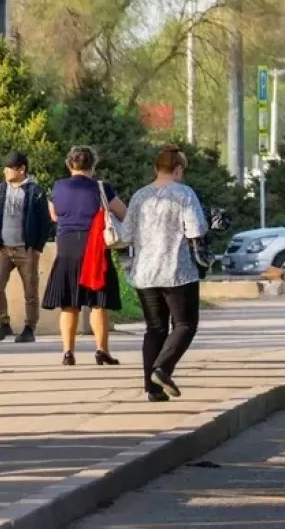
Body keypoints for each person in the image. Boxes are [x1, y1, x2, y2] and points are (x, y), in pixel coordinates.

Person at [123, 145, 208, 402]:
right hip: (176, 271)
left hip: (144, 272)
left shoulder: (140, 196)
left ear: (156, 169)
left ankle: (153, 389)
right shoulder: (184, 194)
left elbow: (126, 234)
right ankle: (163, 369)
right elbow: (195, 230)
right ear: (178, 169)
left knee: (155, 328)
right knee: (184, 324)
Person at [41, 146, 127, 366]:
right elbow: (123, 213)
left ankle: (68, 352)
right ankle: (101, 350)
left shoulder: (58, 187)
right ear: (93, 165)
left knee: (69, 303)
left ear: (70, 164)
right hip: (94, 246)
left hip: (67, 246)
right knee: (98, 302)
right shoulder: (101, 187)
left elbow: (54, 215)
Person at [0, 151, 52, 343]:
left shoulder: (36, 191)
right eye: (5, 168)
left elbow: (45, 221)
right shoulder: (1, 189)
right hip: (3, 248)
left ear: (22, 169)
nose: (6, 172)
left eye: (9, 168)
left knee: (30, 290)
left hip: (26, 248)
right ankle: (3, 323)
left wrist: (37, 248)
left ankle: (29, 328)